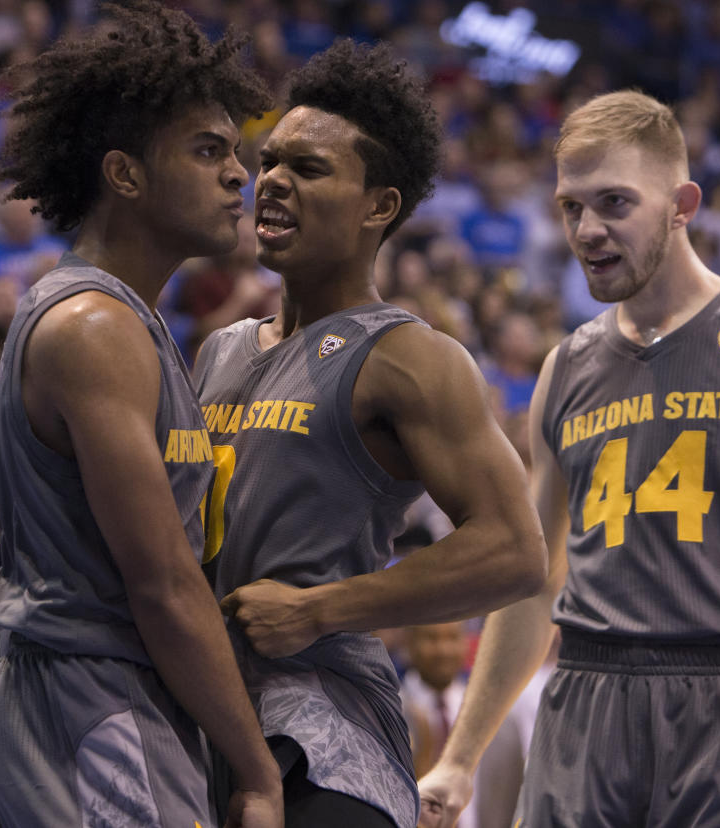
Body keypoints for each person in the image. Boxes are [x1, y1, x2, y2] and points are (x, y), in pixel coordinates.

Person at [417, 90, 720, 828]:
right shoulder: (563, 370)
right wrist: (461, 756)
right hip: (584, 697)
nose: (588, 229)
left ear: (682, 203)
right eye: (571, 206)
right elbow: (535, 583)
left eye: (614, 202)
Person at [192, 39, 547, 828]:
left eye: (309, 169)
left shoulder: (409, 356)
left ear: (378, 207)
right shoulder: (220, 349)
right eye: (271, 158)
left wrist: (322, 609)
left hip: (324, 730)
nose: (272, 179)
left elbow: (515, 551)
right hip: (205, 720)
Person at [0, 3, 283, 826]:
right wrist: (256, 771)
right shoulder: (95, 329)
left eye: (237, 154)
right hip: (92, 696)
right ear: (125, 174)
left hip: (107, 696)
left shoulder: (132, 322)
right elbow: (162, 584)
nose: (238, 176)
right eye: (208, 150)